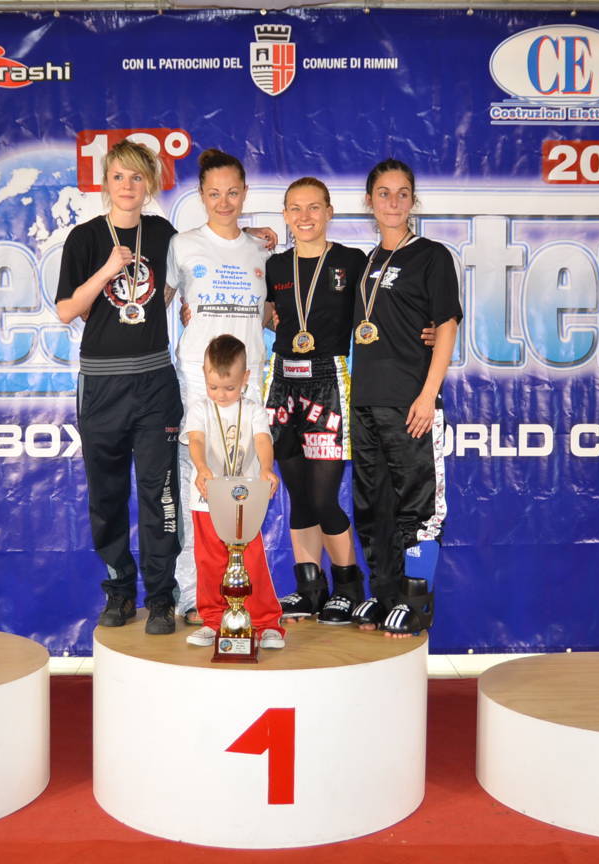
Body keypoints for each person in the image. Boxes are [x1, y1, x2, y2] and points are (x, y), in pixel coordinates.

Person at [55, 139, 181, 635]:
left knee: (159, 495)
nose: (127, 186)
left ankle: (162, 597)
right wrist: (107, 270)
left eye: (137, 177)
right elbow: (67, 310)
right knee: (106, 495)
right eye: (118, 176)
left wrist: (254, 237)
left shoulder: (164, 234)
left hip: (154, 381)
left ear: (150, 184)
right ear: (105, 182)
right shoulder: (85, 238)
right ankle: (120, 591)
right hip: (102, 383)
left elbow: (197, 263)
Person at [349, 159, 461, 637]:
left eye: (402, 193)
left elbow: (447, 325)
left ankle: (416, 604)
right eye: (383, 193)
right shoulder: (366, 262)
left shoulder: (432, 256)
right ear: (369, 201)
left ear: (413, 200)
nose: (393, 202)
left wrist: (428, 394)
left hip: (411, 401)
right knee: (373, 505)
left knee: (418, 506)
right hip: (365, 401)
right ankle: (385, 597)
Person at [167, 148, 275, 625]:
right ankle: (194, 595)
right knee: (199, 480)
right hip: (199, 377)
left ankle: (240, 594)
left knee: (245, 482)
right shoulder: (182, 245)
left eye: (233, 192)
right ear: (201, 195)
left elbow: (268, 313)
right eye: (214, 193)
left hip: (249, 378)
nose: (224, 202)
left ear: (245, 193)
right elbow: (159, 300)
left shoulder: (261, 249)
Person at [262, 178, 368, 624]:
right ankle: (310, 588)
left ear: (329, 211)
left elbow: (378, 309)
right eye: (295, 208)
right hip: (282, 380)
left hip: (328, 379)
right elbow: (266, 315)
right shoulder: (274, 265)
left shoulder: (351, 261)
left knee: (324, 498)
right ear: (285, 215)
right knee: (299, 496)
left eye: (313, 207)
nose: (304, 217)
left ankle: (348, 587)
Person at [182, 334, 284, 648]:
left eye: (229, 387)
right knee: (209, 561)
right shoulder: (199, 409)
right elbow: (196, 440)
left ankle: (266, 623)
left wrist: (266, 467)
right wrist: (202, 467)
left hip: (244, 502)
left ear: (246, 378)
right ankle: (213, 620)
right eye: (213, 387)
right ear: (204, 375)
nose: (221, 394)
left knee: (251, 562)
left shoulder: (253, 410)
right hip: (206, 499)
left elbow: (262, 440)